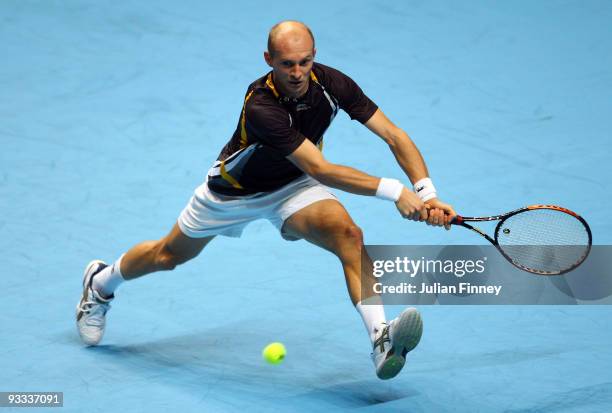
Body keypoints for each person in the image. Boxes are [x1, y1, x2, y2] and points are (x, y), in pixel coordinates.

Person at [76, 20, 456, 380]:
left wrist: (427, 193)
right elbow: (322, 168)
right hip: (232, 193)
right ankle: (100, 282)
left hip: (293, 187)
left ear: (314, 55)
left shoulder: (332, 83)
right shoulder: (262, 105)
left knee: (348, 236)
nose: (297, 72)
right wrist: (395, 191)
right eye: (287, 63)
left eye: (304, 62)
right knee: (168, 256)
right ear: (268, 60)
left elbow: (392, 134)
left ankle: (381, 339)